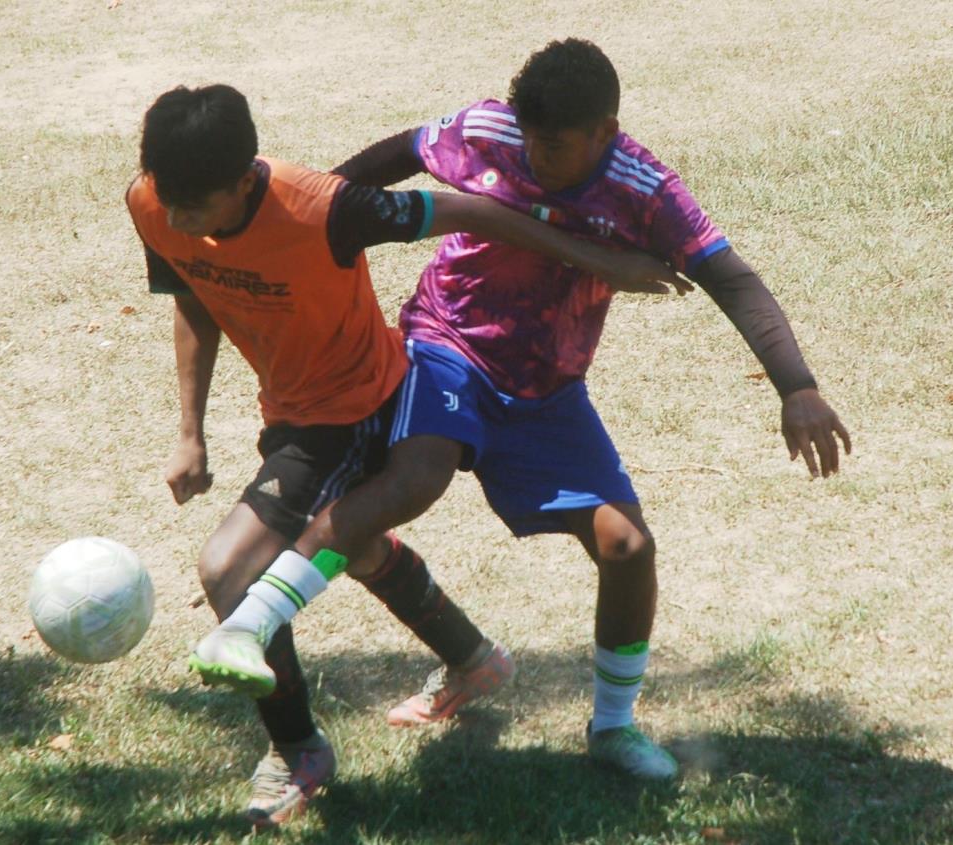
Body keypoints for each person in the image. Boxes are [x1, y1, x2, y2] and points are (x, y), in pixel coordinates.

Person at [198, 39, 852, 784]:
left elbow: (732, 279)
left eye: (557, 146)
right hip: (445, 343)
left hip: (546, 386)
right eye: (530, 138)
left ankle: (611, 727)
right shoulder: (487, 129)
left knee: (627, 548)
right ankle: (251, 624)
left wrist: (795, 386)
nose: (537, 156)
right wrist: (315, 221)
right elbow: (397, 153)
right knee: (413, 480)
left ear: (605, 131)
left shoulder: (646, 191)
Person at [128, 83, 683, 828]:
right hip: (290, 411)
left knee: (230, 569)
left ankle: (297, 750)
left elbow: (469, 209)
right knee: (347, 544)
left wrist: (593, 257)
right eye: (170, 201)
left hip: (355, 406)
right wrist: (189, 427)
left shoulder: (327, 207)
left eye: (196, 207)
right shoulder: (152, 202)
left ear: (244, 177)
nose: (179, 220)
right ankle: (471, 656)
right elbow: (191, 295)